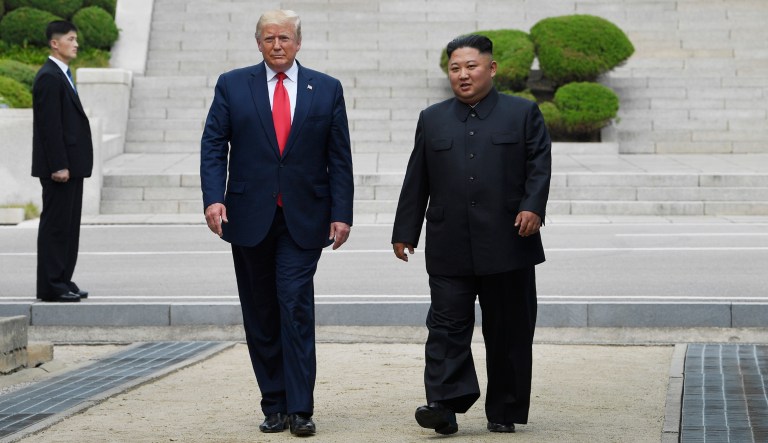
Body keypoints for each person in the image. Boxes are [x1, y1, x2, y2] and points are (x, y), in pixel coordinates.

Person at [200, 9, 353, 437]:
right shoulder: (233, 84)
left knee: (294, 304)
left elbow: (339, 155)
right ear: (258, 43)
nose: (277, 45)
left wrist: (343, 212)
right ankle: (274, 403)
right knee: (261, 311)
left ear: (298, 42)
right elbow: (214, 144)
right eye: (269, 38)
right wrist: (214, 198)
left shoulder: (325, 88)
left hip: (305, 218)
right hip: (248, 218)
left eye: (285, 38)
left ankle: (301, 407)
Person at [391, 34, 552, 435]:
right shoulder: (432, 118)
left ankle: (505, 409)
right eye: (454, 68)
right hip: (449, 244)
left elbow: (539, 165)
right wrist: (405, 230)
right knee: (445, 328)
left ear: (492, 68)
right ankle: (443, 405)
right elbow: (417, 179)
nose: (462, 75)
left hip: (509, 241)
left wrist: (533, 206)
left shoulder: (522, 113)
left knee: (509, 330)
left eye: (471, 66)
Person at [32, 20, 92, 303]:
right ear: (55, 43)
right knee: (56, 226)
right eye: (71, 38)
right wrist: (58, 165)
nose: (76, 43)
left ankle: (64, 279)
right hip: (60, 169)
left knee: (69, 226)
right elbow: (49, 126)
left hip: (72, 167)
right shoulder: (48, 77)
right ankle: (51, 285)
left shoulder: (64, 75)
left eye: (76, 38)